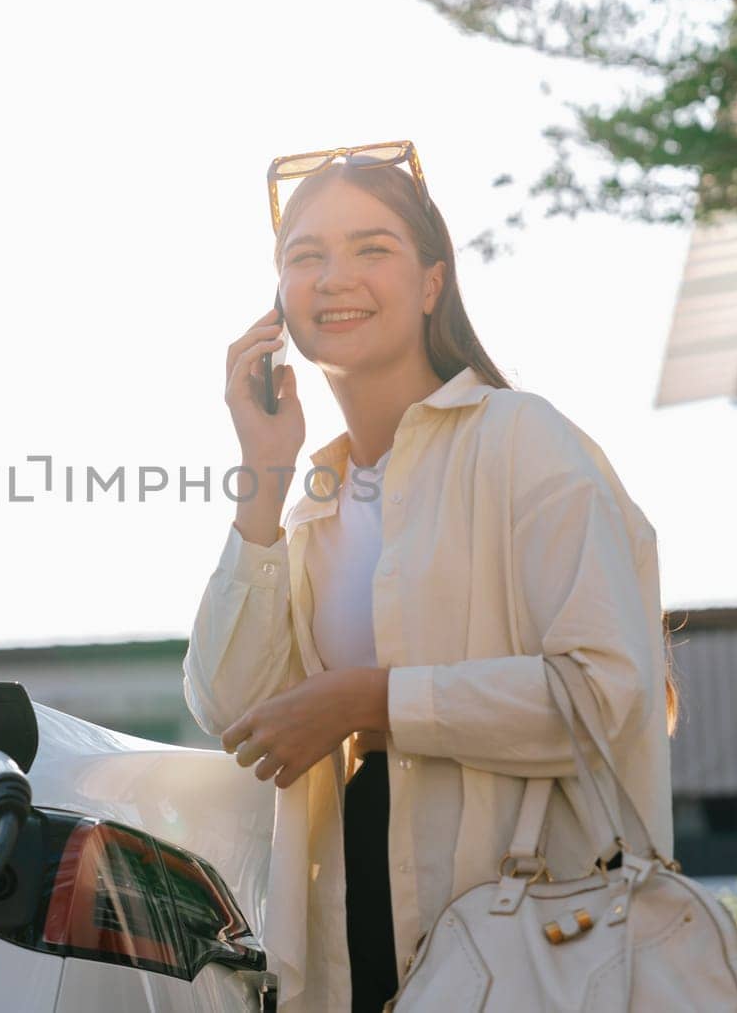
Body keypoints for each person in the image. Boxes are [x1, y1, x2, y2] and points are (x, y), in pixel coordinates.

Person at [181, 143, 678, 1013]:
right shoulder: (313, 506)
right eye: (307, 256)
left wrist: (369, 700)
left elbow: (605, 698)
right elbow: (233, 710)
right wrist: (264, 469)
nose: (337, 277)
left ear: (431, 284)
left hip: (541, 940)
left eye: (372, 248)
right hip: (361, 921)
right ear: (278, 304)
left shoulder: (524, 440)